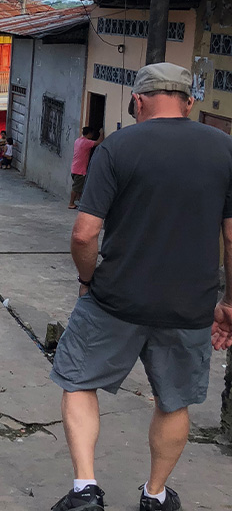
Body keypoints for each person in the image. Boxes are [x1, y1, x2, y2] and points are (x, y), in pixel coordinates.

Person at [50, 63, 232, 511]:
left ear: (137, 100)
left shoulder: (118, 147)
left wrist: (87, 281)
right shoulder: (225, 148)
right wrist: (229, 301)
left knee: (79, 381)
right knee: (174, 401)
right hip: (190, 305)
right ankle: (155, 495)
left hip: (115, 298)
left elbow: (84, 234)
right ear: (189, 102)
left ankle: (85, 490)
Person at [69, 126, 104, 209]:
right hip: (80, 170)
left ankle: (80, 202)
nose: (92, 135)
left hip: (74, 167)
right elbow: (99, 142)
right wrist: (101, 133)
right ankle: (71, 203)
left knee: (79, 187)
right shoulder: (86, 142)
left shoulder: (78, 141)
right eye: (92, 134)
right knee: (76, 188)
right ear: (89, 134)